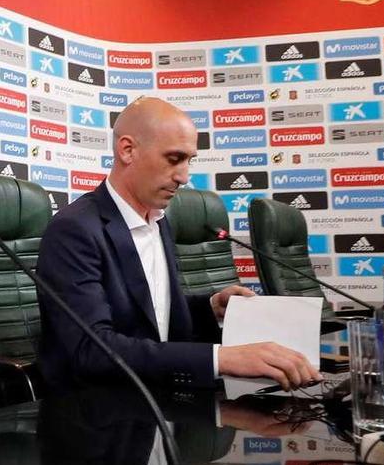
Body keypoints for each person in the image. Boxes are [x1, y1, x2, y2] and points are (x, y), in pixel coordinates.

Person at [37, 97, 321, 394]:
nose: (184, 177)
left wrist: (210, 307)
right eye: (174, 159)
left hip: (164, 398)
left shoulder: (159, 222)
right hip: (101, 416)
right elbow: (91, 350)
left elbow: (147, 315)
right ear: (127, 150)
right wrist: (220, 358)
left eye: (189, 161)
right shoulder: (74, 230)